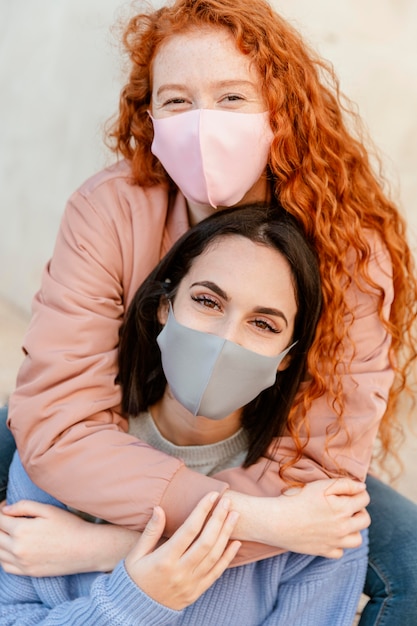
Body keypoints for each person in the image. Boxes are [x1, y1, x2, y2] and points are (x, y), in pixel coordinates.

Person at [1, 0, 417, 623]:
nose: (202, 124)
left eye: (231, 98)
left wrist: (103, 547)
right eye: (177, 101)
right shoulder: (109, 208)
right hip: (117, 417)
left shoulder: (350, 253)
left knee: (398, 558)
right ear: (149, 118)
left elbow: (317, 472)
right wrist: (264, 524)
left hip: (258, 447)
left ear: (281, 110)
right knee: (22, 456)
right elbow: (60, 425)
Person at [0, 205, 369, 625]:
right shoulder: (61, 455)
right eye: (207, 301)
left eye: (264, 324)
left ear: (287, 358)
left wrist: (106, 554)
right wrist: (133, 602)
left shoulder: (319, 514)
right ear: (165, 306)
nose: (225, 340)